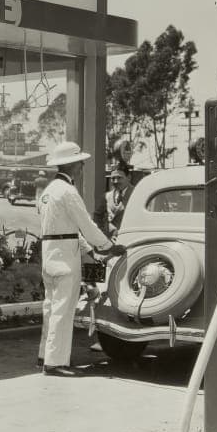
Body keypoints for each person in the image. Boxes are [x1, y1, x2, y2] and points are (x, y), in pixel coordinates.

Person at [37, 141, 125, 376]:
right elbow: (85, 224)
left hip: (50, 253)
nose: (83, 165)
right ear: (71, 164)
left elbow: (64, 228)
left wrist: (91, 250)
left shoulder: (47, 192)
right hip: (66, 256)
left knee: (50, 306)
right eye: (79, 161)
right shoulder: (68, 191)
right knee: (63, 310)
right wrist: (107, 246)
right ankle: (55, 363)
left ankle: (44, 355)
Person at [93, 164, 133, 240]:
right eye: (113, 178)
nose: (115, 181)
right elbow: (97, 216)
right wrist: (103, 232)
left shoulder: (136, 194)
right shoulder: (106, 196)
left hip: (129, 239)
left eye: (119, 178)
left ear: (129, 178)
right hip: (109, 241)